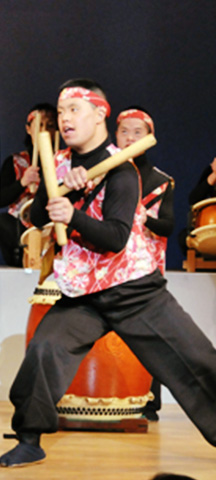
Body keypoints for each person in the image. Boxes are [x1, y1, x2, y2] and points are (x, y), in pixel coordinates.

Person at [0, 78, 216, 468]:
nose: (65, 119)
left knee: (197, 362)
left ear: (100, 114)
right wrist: (62, 191)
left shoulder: (122, 171)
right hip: (84, 294)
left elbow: (115, 238)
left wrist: (73, 214)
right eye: (61, 111)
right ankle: (29, 439)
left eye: (74, 109)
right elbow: (37, 215)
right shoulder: (58, 163)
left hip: (136, 292)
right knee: (45, 350)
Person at [116, 106, 174, 420]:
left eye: (137, 132)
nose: (129, 137)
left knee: (148, 334)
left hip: (145, 265)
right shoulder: (105, 173)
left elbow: (168, 226)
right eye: (124, 131)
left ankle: (149, 401)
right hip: (108, 263)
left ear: (150, 137)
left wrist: (143, 217)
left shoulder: (161, 181)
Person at [0, 103, 57, 266]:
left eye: (50, 126)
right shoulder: (15, 161)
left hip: (51, 223)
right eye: (39, 125)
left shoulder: (63, 161)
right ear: (29, 129)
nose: (44, 131)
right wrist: (22, 182)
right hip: (21, 224)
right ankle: (24, 262)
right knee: (2, 222)